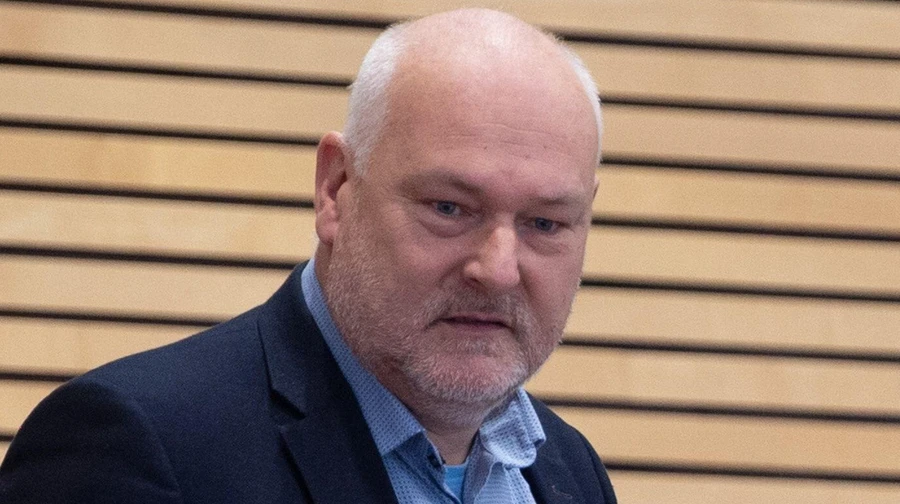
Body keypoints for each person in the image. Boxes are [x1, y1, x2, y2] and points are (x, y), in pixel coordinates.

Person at [0, 8, 616, 504]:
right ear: (335, 189)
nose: (498, 270)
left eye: (545, 223)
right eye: (449, 208)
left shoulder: (570, 470)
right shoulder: (134, 448)